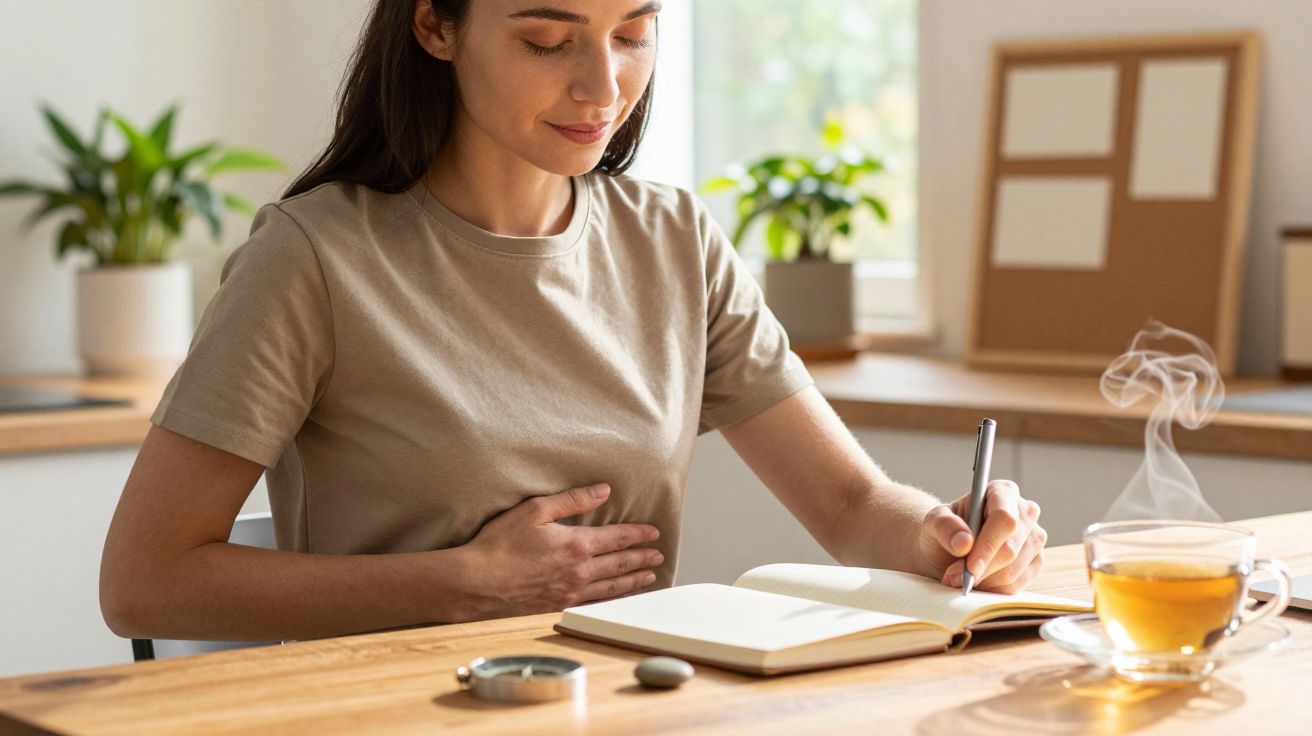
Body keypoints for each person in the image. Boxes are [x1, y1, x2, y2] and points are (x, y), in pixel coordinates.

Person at [100, 0, 1047, 644]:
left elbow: (848, 506)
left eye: (633, 33)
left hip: (629, 705)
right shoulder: (314, 257)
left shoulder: (674, 240)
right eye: (548, 41)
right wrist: (464, 584)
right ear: (435, 25)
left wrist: (946, 536)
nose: (604, 86)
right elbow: (144, 580)